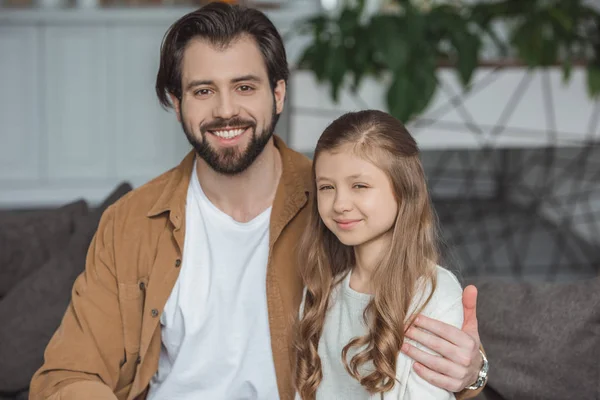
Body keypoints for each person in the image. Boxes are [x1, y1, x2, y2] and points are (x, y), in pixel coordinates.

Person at [30, 3, 487, 399]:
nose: (226, 110)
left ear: (279, 93)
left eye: (245, 87)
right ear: (176, 101)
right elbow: (68, 376)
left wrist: (471, 373)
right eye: (203, 90)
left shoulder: (336, 207)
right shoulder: (130, 222)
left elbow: (411, 321)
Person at [295, 110, 470, 400]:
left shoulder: (434, 292)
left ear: (404, 190)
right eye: (327, 187)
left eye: (359, 186)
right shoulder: (320, 290)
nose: (339, 204)